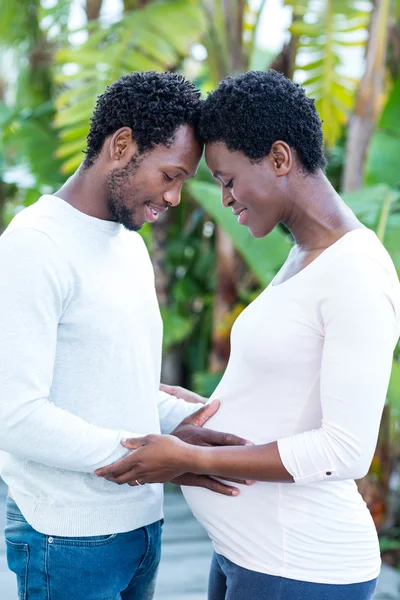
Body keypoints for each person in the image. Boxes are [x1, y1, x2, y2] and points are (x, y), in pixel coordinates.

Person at [96, 71, 400, 600]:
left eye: (229, 179)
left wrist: (193, 459)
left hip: (301, 565)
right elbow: (289, 393)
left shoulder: (357, 272)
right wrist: (204, 408)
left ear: (280, 158)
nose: (226, 198)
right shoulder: (306, 254)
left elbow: (346, 450)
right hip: (252, 554)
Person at [0, 71, 248, 600]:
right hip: (65, 540)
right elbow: (15, 416)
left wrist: (182, 424)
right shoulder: (34, 247)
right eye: (170, 175)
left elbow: (103, 378)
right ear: (121, 145)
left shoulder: (128, 243)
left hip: (142, 525)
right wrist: (148, 454)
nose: (176, 197)